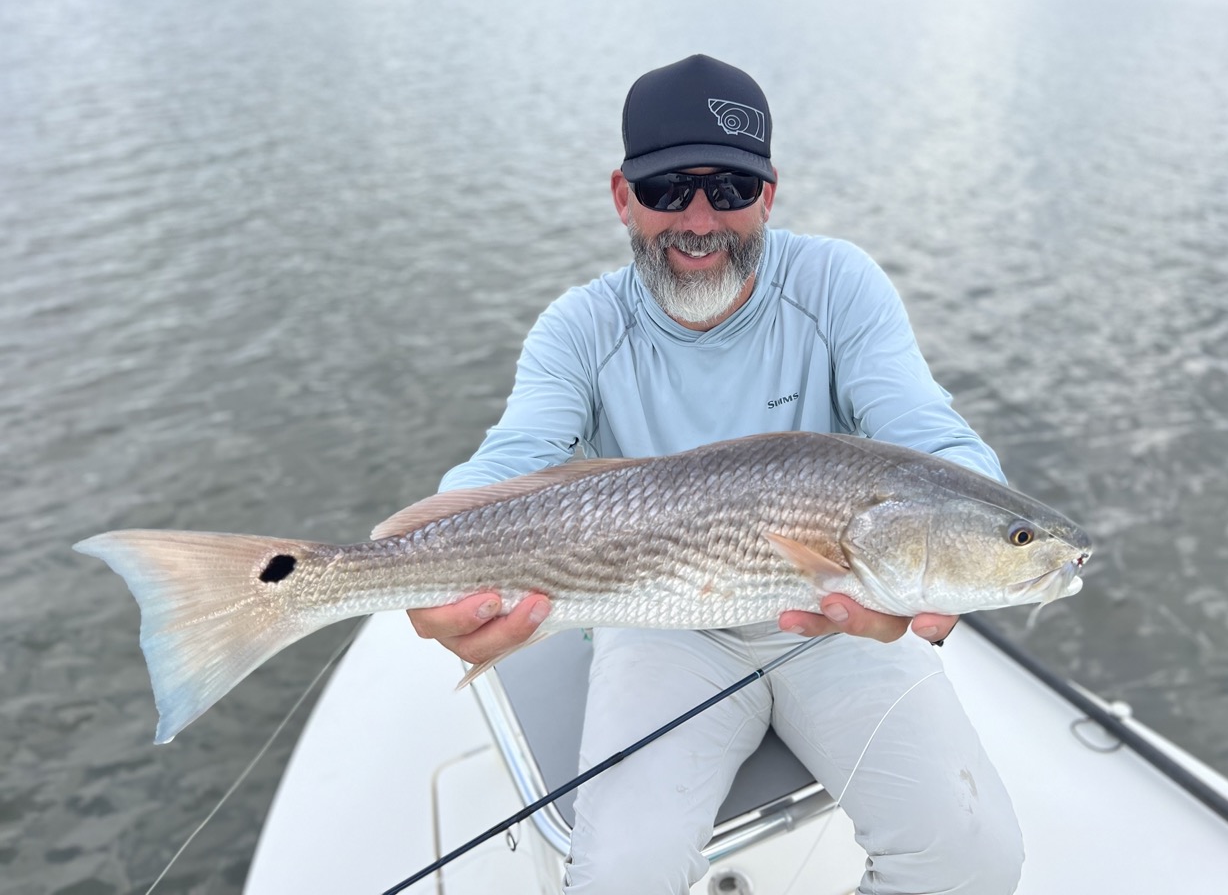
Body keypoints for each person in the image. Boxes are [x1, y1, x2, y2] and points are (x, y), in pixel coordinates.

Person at [408, 54, 1023, 895]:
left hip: (838, 614)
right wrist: (423, 556)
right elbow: (515, 457)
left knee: (975, 859)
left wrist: (967, 551)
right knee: (619, 878)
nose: (699, 221)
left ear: (768, 195)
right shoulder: (578, 328)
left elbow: (927, 430)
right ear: (622, 196)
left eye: (729, 188)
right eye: (667, 190)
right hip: (656, 620)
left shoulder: (839, 285)